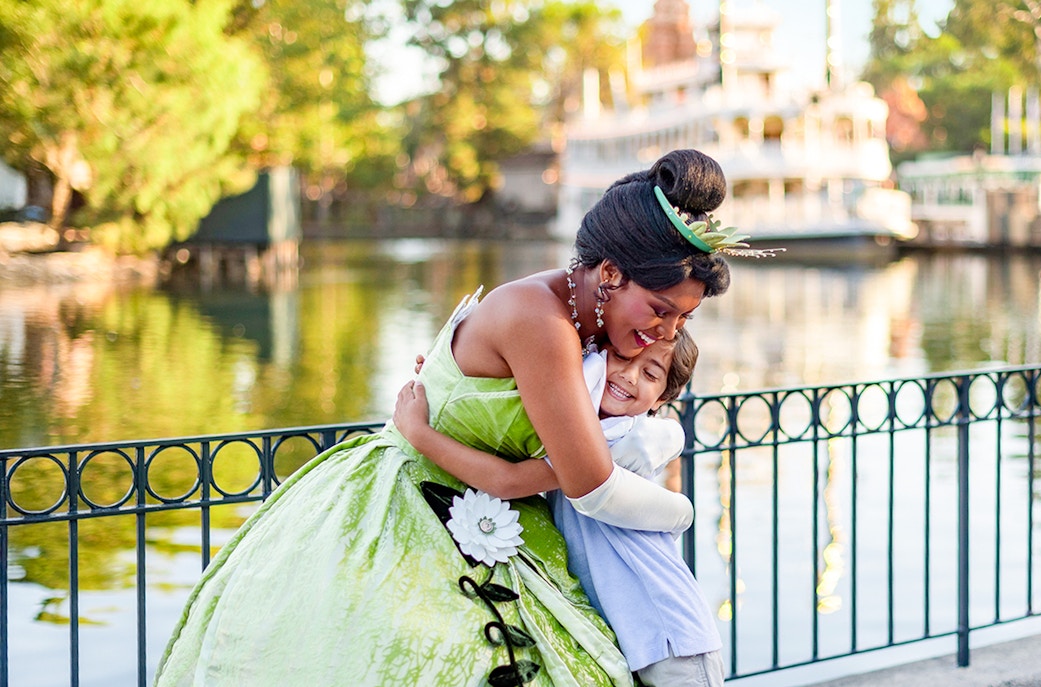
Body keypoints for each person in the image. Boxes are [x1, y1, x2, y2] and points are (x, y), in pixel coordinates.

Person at [155, 149, 745, 686]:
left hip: (482, 510)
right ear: (611, 273)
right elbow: (590, 487)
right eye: (661, 310)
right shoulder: (543, 322)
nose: (663, 335)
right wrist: (681, 512)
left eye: (682, 322)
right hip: (414, 508)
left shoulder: (587, 324)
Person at [397, 329, 723, 686]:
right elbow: (518, 404)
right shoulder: (576, 424)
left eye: (650, 374)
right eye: (624, 357)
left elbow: (508, 480)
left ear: (662, 398)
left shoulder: (616, 439)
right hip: (629, 634)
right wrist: (455, 379)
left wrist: (421, 434)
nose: (629, 376)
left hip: (669, 634)